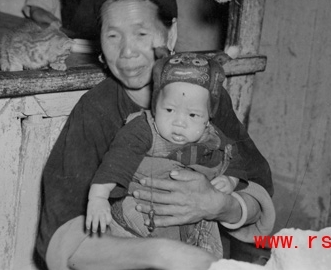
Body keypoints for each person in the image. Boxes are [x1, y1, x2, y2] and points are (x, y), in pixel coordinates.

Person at [37, 0, 275, 270]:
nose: (126, 52)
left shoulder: (206, 96)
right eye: (112, 36)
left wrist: (220, 205)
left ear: (170, 35)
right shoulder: (96, 111)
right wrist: (160, 254)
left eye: (141, 33)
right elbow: (61, 242)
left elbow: (256, 183)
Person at [86, 52, 250, 258]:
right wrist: (99, 197)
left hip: (195, 213)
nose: (179, 122)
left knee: (207, 252)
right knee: (154, 254)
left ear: (208, 118)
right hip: (141, 208)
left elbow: (235, 158)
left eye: (192, 115)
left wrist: (231, 179)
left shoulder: (214, 138)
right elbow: (116, 162)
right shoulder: (143, 129)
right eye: (170, 110)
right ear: (155, 106)